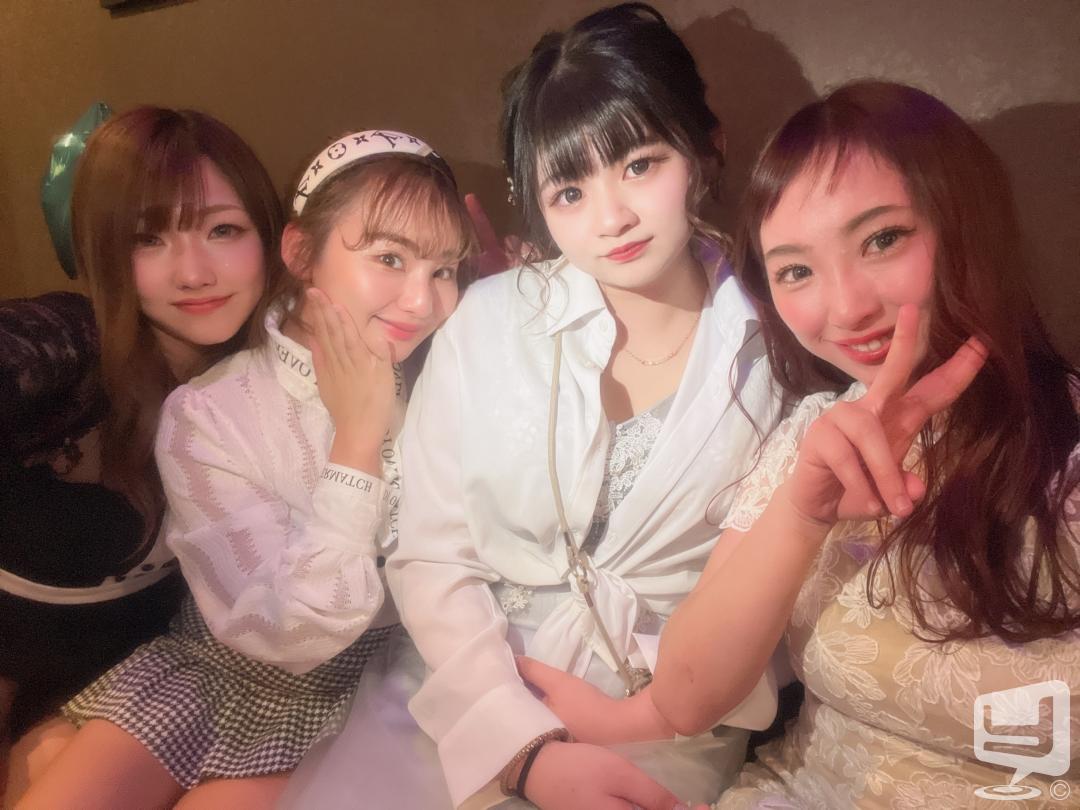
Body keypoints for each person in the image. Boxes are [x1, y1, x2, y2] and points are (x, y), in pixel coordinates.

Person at [532, 80, 1080, 808]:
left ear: (966, 223)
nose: (845, 308)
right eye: (796, 271)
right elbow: (688, 699)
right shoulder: (812, 432)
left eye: (882, 239)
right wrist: (802, 512)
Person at [388, 5, 782, 809]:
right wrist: (518, 745)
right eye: (569, 190)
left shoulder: (780, 344)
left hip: (670, 718)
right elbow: (430, 555)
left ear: (704, 149)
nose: (611, 219)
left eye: (640, 164)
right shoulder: (489, 323)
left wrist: (642, 715)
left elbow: (785, 600)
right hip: (466, 690)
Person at [13, 129, 475, 810]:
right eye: (389, 258)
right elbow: (275, 626)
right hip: (216, 665)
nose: (421, 301)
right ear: (300, 252)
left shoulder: (450, 381)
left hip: (363, 680)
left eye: (444, 270)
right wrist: (357, 440)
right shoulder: (211, 409)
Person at [2, 106, 284, 797]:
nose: (194, 273)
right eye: (149, 239)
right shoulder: (71, 345)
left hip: (108, 687)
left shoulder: (282, 378)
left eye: (223, 230)